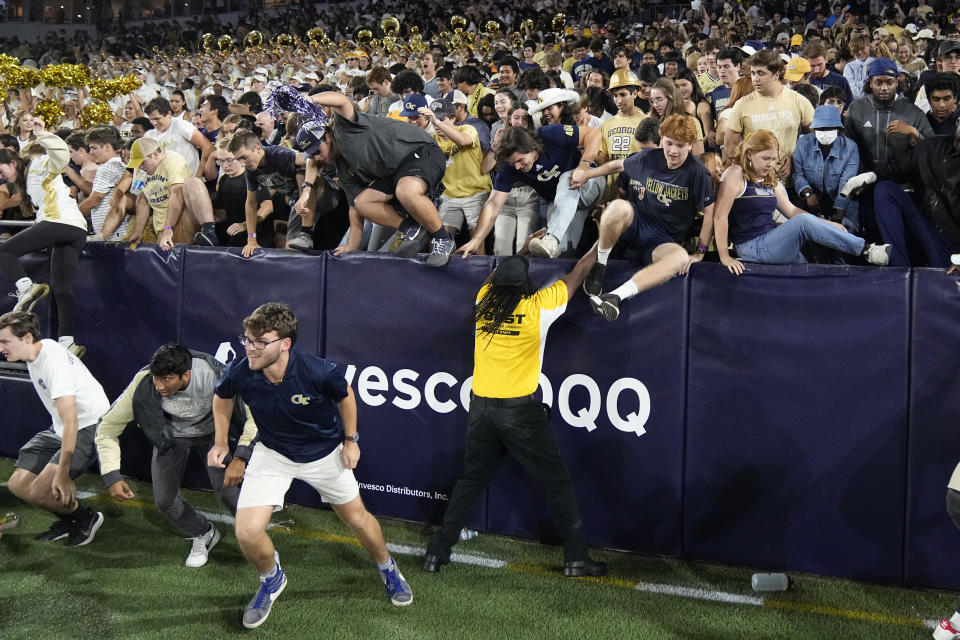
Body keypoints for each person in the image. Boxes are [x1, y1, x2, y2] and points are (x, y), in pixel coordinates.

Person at [208, 302, 413, 629]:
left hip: (323, 455)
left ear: (284, 344)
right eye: (247, 339)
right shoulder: (242, 370)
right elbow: (222, 397)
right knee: (246, 532)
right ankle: (271, 579)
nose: (250, 348)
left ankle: (388, 568)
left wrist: (351, 439)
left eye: (260, 342)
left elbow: (345, 394)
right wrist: (221, 441)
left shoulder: (316, 370)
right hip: (273, 453)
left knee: (358, 519)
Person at [422, 238, 607, 578]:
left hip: (480, 410)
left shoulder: (483, 301)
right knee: (557, 481)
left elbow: (492, 277)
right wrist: (601, 243)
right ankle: (576, 558)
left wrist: (520, 251)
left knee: (470, 480)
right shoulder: (538, 306)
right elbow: (578, 272)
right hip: (520, 413)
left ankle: (437, 552)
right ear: (526, 283)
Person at [95, 343, 257, 567]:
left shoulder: (215, 376)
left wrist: (240, 456)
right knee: (164, 501)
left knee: (228, 493)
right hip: (170, 437)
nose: (159, 386)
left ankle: (255, 540)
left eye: (167, 379)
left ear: (186, 375)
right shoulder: (144, 383)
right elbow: (106, 428)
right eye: (156, 378)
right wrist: (111, 474)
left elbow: (254, 416)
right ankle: (204, 532)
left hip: (213, 434)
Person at [570, 115, 716, 321]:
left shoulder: (698, 173)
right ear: (661, 139)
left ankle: (614, 298)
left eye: (681, 146)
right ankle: (600, 266)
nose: (673, 151)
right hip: (637, 222)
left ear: (691, 146)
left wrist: (700, 252)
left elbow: (710, 213)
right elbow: (616, 166)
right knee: (618, 206)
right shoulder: (649, 157)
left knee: (680, 258)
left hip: (663, 239)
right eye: (669, 143)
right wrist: (586, 174)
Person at [306, 89, 456, 266]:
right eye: (311, 154)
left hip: (421, 150)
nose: (317, 157)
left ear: (328, 137)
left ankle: (443, 239)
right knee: (363, 203)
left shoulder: (343, 127)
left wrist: (309, 99)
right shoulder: (343, 169)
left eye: (317, 150)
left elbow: (342, 100)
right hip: (396, 171)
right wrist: (352, 244)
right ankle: (411, 229)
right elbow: (355, 208)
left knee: (405, 190)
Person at [0, 310, 108, 547]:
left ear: (27, 338)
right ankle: (69, 518)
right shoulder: (37, 350)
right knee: (18, 485)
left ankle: (85, 519)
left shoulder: (53, 363)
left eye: (5, 341)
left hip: (90, 425)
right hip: (61, 426)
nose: (1, 348)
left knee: (41, 490)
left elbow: (73, 422)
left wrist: (62, 471)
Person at [713, 130, 890, 273]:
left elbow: (792, 211)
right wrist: (724, 256)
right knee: (802, 223)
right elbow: (719, 217)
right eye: (765, 159)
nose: (770, 164)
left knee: (807, 271)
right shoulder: (735, 174)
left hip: (772, 241)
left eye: (774, 159)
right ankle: (866, 250)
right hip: (750, 247)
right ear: (749, 154)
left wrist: (828, 224)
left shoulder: (769, 178)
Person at [457, 89, 605, 260]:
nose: (518, 167)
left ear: (532, 148)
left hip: (590, 185)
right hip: (563, 205)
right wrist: (476, 240)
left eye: (520, 160)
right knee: (558, 253)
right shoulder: (510, 167)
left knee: (566, 178)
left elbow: (593, 134)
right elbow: (493, 204)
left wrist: (583, 166)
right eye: (513, 164)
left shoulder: (550, 134)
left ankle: (552, 237)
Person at [0, 121, 89, 357]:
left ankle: (26, 288)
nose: (2, 177)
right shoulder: (29, 179)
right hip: (74, 229)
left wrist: (41, 134)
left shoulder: (38, 164)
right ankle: (67, 341)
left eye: (2, 171)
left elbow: (60, 156)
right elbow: (52, 198)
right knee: (62, 289)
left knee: (4, 251)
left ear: (13, 162)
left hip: (62, 223)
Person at [723, 49, 815, 179]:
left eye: (761, 73)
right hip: (755, 180)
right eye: (753, 73)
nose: (755, 78)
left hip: (791, 180)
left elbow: (815, 137)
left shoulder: (798, 101)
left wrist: (795, 157)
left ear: (777, 74)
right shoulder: (742, 105)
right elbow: (730, 145)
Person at [126, 137, 219, 249]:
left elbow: (177, 195)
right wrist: (138, 231)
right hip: (161, 226)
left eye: (142, 162)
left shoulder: (173, 160)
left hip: (184, 217)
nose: (140, 166)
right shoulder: (141, 169)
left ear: (155, 154)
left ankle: (208, 231)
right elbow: (142, 199)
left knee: (193, 182)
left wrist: (168, 229)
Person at [793, 105, 861, 231]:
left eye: (829, 129)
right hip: (812, 204)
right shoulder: (803, 144)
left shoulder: (850, 148)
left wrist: (839, 210)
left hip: (843, 203)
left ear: (838, 129)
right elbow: (798, 174)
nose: (825, 133)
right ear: (814, 129)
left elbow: (848, 182)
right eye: (821, 129)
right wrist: (808, 194)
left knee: (845, 232)